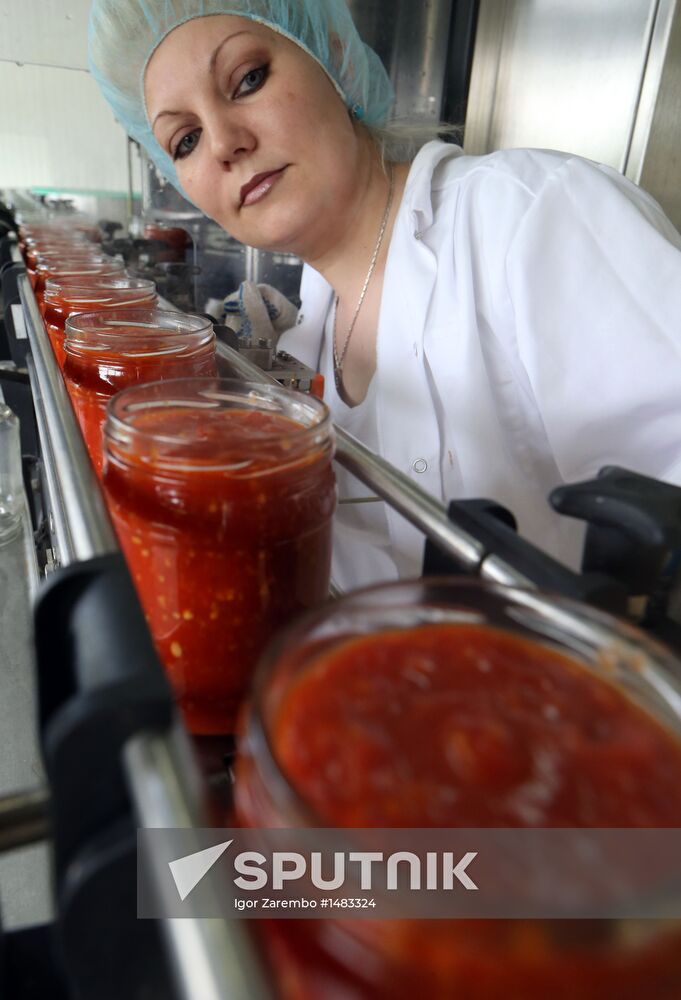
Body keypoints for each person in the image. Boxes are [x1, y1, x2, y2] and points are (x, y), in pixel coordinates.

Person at [88, 0, 681, 592]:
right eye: (185, 139)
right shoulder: (312, 325)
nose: (223, 143)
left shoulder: (531, 216)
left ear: (335, 58)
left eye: (248, 79)